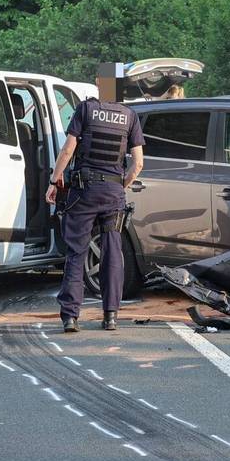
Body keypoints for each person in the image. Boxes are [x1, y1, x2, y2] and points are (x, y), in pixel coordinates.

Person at [46, 95, 145, 332]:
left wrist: (54, 181)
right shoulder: (129, 116)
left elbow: (68, 150)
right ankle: (110, 316)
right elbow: (138, 164)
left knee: (76, 252)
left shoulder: (86, 109)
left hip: (84, 192)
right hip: (113, 194)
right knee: (112, 253)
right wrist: (120, 186)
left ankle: (70, 317)